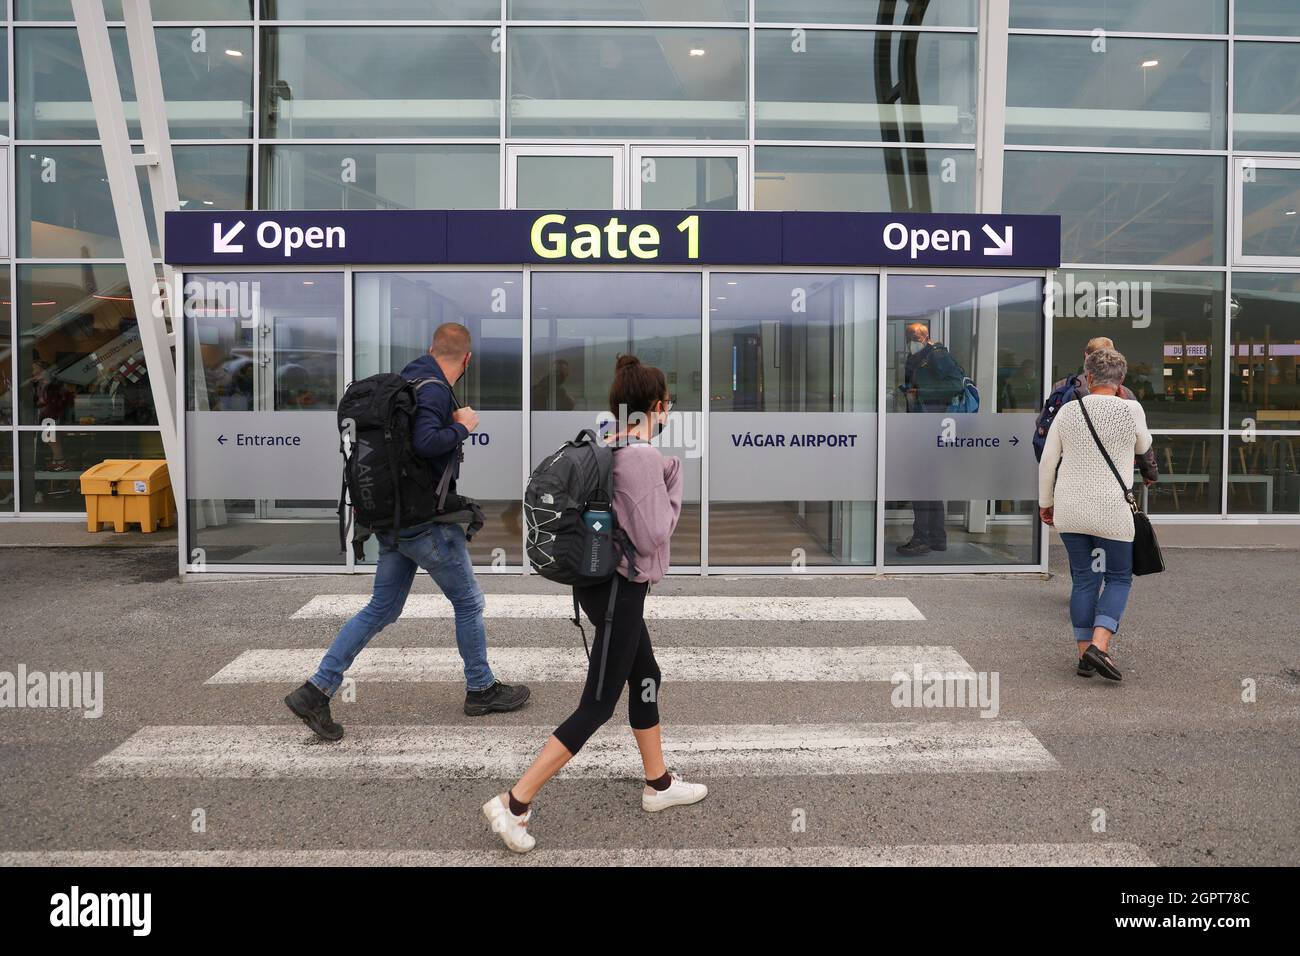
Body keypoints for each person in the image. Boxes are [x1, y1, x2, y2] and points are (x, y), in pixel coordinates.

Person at [482, 354, 707, 853]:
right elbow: (651, 537)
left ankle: (659, 785)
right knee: (599, 703)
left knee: (646, 673)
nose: (669, 411)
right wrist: (674, 484)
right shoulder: (645, 456)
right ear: (656, 405)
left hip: (598, 584)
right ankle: (514, 803)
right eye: (667, 404)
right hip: (618, 592)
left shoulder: (609, 442)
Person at [284, 323, 530, 740]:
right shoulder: (433, 390)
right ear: (467, 359)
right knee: (469, 602)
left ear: (430, 348)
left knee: (382, 608)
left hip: (393, 521)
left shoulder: (409, 379)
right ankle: (481, 689)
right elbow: (426, 443)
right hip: (422, 523)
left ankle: (316, 690)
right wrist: (464, 425)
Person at [1038, 347, 1153, 682]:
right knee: (1118, 577)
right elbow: (1143, 446)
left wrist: (1046, 503)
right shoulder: (1131, 409)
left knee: (1085, 579)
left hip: (1071, 508)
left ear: (1088, 377)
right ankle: (1099, 645)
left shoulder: (1069, 410)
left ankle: (1083, 654)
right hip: (1112, 509)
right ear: (1121, 381)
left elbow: (1048, 462)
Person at [1036, 336, 1158, 486]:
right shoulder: (1125, 394)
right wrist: (1149, 472)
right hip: (1114, 476)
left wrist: (1047, 496)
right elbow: (1142, 440)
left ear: (1086, 356)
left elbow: (1045, 427)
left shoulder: (1062, 388)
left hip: (1071, 473)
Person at [896, 322, 966, 556]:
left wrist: (921, 393)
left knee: (922, 483)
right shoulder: (917, 358)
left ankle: (922, 537)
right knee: (930, 483)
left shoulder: (937, 355)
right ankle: (937, 537)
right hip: (921, 424)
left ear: (925, 337)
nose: (911, 341)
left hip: (933, 426)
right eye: (908, 337)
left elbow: (956, 385)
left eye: (914, 337)